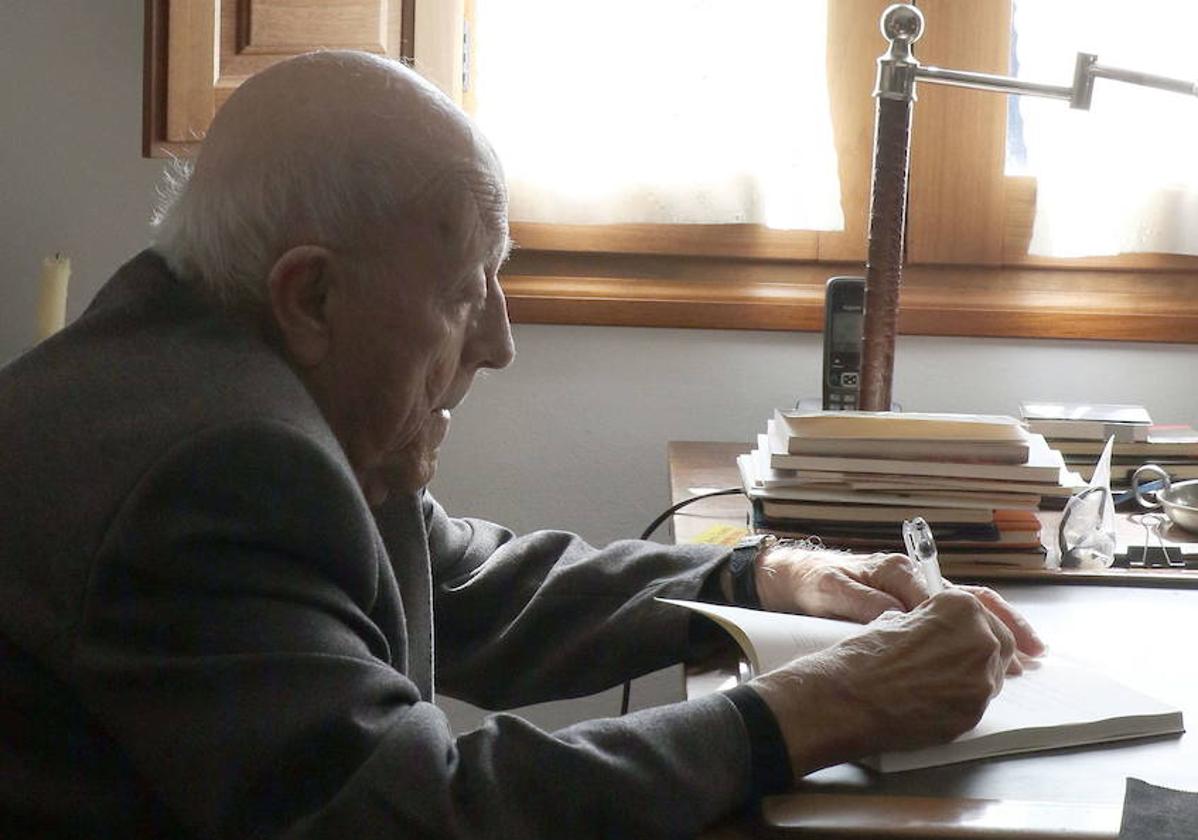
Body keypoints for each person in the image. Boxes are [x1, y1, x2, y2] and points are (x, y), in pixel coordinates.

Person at [0, 50, 1043, 838]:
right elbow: (426, 817)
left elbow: (462, 584)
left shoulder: (219, 365)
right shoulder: (213, 468)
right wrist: (824, 704)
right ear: (312, 292)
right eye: (466, 294)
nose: (498, 342)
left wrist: (764, 575)